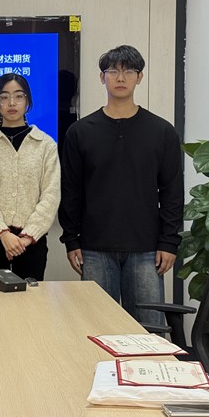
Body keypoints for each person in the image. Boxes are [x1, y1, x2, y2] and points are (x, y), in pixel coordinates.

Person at [58, 45, 183, 325]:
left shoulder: (162, 131)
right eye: (113, 71)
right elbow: (71, 191)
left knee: (148, 332)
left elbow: (172, 192)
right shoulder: (80, 132)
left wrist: (169, 241)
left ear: (140, 77)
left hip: (147, 249)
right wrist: (72, 239)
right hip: (94, 249)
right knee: (98, 329)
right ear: (102, 77)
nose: (120, 77)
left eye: (129, 71)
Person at [0, 73, 60, 281]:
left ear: (28, 101)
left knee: (29, 299)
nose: (12, 103)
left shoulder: (45, 145)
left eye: (19, 96)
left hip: (31, 243)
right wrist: (3, 234)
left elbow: (51, 195)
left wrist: (26, 237)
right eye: (4, 97)